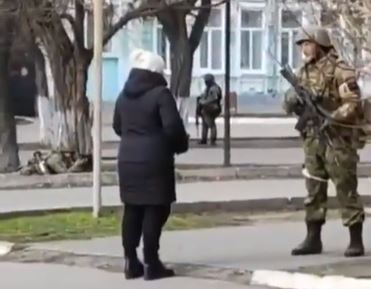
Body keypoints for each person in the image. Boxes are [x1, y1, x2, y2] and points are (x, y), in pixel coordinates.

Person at [283, 26, 365, 257]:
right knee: (313, 189)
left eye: (306, 44)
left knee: (346, 189)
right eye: (301, 45)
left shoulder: (340, 70)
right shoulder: (302, 73)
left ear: (319, 44)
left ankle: (355, 239)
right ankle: (313, 238)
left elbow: (352, 103)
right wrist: (293, 100)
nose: (303, 49)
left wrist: (332, 117)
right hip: (312, 140)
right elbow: (287, 105)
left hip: (338, 140)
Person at [113, 49, 189, 280]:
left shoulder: (123, 95)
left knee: (132, 208)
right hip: (155, 160)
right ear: (156, 72)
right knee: (156, 208)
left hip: (127, 159)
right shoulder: (160, 94)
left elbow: (118, 126)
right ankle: (151, 262)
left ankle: (130, 261)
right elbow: (173, 128)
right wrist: (179, 145)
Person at [197, 74, 222, 145]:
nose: (205, 82)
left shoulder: (214, 88)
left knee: (211, 124)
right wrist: (201, 99)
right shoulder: (209, 87)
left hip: (212, 108)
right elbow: (205, 96)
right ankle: (204, 139)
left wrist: (202, 102)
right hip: (207, 108)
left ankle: (212, 139)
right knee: (205, 124)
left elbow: (213, 98)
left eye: (206, 81)